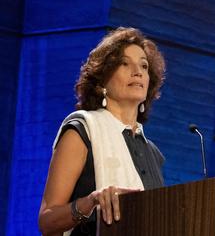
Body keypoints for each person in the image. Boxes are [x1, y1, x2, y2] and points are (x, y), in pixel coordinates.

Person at [38, 27, 166, 236]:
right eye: (125, 64)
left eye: (144, 65)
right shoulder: (82, 130)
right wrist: (90, 203)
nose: (138, 71)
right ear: (102, 81)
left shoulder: (153, 153)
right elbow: (46, 221)